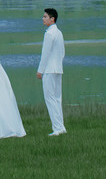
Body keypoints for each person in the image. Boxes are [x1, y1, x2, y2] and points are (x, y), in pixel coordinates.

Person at [37, 7, 66, 136]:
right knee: (57, 98)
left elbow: (45, 54)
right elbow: (62, 53)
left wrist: (40, 70)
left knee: (50, 99)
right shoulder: (58, 32)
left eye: (45, 17)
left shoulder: (49, 34)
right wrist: (58, 64)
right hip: (58, 69)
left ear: (52, 19)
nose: (43, 19)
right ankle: (61, 127)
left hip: (49, 69)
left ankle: (57, 128)